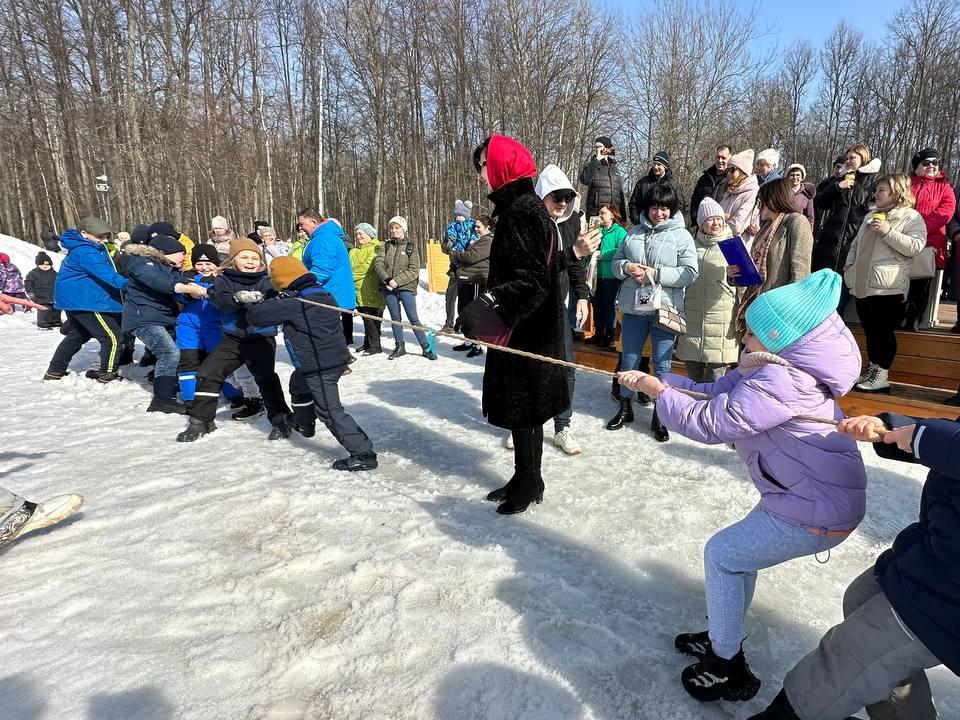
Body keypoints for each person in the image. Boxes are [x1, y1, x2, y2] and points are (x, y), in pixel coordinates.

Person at [621, 269, 867, 704]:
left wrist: (660, 396)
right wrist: (664, 384)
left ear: (778, 338)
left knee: (723, 556)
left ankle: (725, 667)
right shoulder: (768, 367)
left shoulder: (779, 381)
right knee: (736, 560)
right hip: (796, 497)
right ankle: (724, 636)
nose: (744, 337)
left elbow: (713, 421)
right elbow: (711, 393)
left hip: (814, 510)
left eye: (751, 331)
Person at [747, 410, 959, 720]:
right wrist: (894, 429)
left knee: (846, 657)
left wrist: (923, 436)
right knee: (862, 597)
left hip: (946, 595)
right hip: (937, 549)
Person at [457, 135, 569, 514]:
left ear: (503, 165)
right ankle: (526, 476)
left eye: (484, 165)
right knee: (526, 410)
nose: (481, 175)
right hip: (524, 325)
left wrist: (490, 304)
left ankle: (529, 479)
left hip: (527, 329)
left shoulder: (522, 210)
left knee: (526, 407)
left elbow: (533, 279)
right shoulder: (523, 208)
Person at [246, 256, 377, 471]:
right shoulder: (320, 293)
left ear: (282, 280)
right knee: (298, 384)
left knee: (329, 410)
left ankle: (363, 453)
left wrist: (259, 300)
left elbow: (257, 316)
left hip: (321, 366)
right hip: (327, 360)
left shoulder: (296, 302)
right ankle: (305, 424)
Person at [176, 238, 292, 442]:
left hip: (260, 338)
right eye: (244, 257)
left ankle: (281, 420)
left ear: (261, 261)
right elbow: (220, 301)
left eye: (254, 257)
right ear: (233, 260)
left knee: (266, 379)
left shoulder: (267, 280)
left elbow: (279, 303)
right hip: (233, 338)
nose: (250, 261)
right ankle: (200, 421)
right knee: (208, 373)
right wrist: (236, 298)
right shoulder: (224, 280)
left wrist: (271, 299)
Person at [608, 183, 698, 441]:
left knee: (663, 363)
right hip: (634, 307)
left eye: (665, 208)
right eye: (655, 207)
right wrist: (626, 268)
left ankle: (661, 414)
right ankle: (625, 406)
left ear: (672, 210)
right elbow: (615, 263)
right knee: (629, 359)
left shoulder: (682, 236)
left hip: (665, 307)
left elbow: (690, 272)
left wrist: (655, 274)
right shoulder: (633, 232)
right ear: (647, 208)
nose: (659, 213)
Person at [844, 173, 926, 394]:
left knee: (883, 332)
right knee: (870, 331)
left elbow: (916, 246)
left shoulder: (911, 217)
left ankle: (882, 375)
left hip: (888, 286)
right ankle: (872, 369)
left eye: (881, 190)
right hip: (863, 284)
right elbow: (856, 245)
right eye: (877, 189)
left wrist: (888, 231)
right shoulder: (871, 215)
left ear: (897, 193)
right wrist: (849, 268)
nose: (876, 194)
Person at [534, 164, 592, 456]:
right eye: (556, 196)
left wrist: (582, 296)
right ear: (542, 194)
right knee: (531, 365)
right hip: (530, 307)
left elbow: (575, 265)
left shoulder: (571, 223)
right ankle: (527, 423)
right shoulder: (529, 223)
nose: (562, 202)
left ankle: (562, 426)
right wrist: (574, 252)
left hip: (559, 305)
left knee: (566, 365)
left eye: (567, 197)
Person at [122, 235, 207, 413]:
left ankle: (167, 382)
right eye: (180, 253)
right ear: (162, 253)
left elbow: (179, 283)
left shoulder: (169, 268)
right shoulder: (143, 263)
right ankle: (163, 399)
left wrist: (192, 290)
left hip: (163, 317)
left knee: (176, 352)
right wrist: (186, 288)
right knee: (169, 352)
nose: (184, 257)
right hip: (144, 319)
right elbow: (159, 282)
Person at [44, 217, 128, 382]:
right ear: (84, 234)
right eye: (100, 237)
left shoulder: (85, 248)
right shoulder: (86, 251)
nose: (104, 240)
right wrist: (130, 285)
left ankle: (55, 370)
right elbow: (107, 274)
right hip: (87, 301)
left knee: (78, 334)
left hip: (76, 301)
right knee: (112, 337)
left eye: (107, 236)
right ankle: (107, 373)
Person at [175, 244, 257, 412]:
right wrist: (188, 292)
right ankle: (190, 398)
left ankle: (233, 393)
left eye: (208, 263)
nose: (203, 267)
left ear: (216, 264)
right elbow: (177, 295)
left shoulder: (222, 280)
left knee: (219, 363)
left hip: (215, 327)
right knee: (188, 361)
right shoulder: (186, 278)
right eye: (199, 264)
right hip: (188, 326)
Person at [732, 178, 814, 335]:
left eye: (761, 200)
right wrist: (737, 272)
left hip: (779, 309)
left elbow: (800, 272)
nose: (759, 205)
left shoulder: (796, 222)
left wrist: (788, 311)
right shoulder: (764, 230)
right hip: (757, 305)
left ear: (773, 198)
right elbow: (756, 270)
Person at [675, 197, 736, 382]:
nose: (716, 223)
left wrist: (733, 275)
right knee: (693, 376)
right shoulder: (690, 247)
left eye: (719, 218)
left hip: (721, 319)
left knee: (716, 379)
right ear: (701, 223)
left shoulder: (733, 246)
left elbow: (745, 282)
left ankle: (713, 411)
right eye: (710, 219)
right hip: (692, 318)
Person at [904, 148, 956, 330]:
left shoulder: (945, 187)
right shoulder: (905, 183)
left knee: (920, 284)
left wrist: (919, 228)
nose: (932, 166)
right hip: (901, 240)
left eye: (935, 162)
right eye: (926, 163)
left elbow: (945, 212)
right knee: (898, 282)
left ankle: (913, 321)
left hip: (928, 244)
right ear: (917, 166)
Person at [812, 143, 882, 275]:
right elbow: (821, 202)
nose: (848, 161)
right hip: (831, 240)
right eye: (847, 159)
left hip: (855, 240)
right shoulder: (840, 179)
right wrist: (837, 187)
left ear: (863, 158)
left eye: (852, 158)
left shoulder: (876, 180)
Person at [374, 216, 437, 361]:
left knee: (413, 317)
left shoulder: (411, 247)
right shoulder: (385, 245)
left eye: (397, 228)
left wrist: (397, 281)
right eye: (392, 228)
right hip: (387, 287)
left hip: (406, 287)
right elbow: (379, 264)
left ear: (403, 229)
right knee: (395, 318)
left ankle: (425, 347)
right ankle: (400, 346)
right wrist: (388, 279)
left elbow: (414, 270)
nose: (394, 230)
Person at [298, 208, 357, 346]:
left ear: (313, 222)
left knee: (326, 334)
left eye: (302, 224)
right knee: (331, 332)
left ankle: (337, 363)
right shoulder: (323, 237)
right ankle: (341, 359)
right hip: (331, 293)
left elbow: (322, 271)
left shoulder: (324, 239)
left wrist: (302, 284)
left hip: (331, 293)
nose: (300, 228)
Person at [447, 215, 494, 358]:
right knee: (463, 310)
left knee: (473, 314)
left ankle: (477, 344)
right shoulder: (479, 240)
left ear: (488, 227)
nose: (476, 229)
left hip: (476, 279)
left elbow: (471, 257)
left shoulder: (489, 241)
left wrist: (454, 253)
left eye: (479, 226)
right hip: (467, 279)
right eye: (475, 226)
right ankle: (468, 341)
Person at [588, 203, 627, 347]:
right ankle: (598, 333)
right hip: (595, 275)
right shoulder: (596, 231)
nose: (600, 216)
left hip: (610, 276)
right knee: (596, 304)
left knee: (609, 305)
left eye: (603, 213)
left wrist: (602, 255)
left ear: (612, 214)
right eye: (599, 213)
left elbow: (620, 250)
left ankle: (609, 334)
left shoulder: (620, 232)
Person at [350, 223, 385, 356]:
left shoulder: (376, 248)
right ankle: (367, 342)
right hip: (358, 289)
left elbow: (366, 268)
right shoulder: (354, 251)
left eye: (361, 234)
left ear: (369, 235)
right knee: (364, 316)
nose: (358, 237)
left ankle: (375, 345)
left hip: (370, 288)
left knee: (372, 317)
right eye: (357, 234)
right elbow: (348, 266)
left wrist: (351, 276)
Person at [441, 199, 476, 332]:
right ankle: (449, 323)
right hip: (455, 267)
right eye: (457, 215)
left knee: (467, 298)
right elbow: (444, 247)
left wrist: (472, 242)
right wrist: (448, 245)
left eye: (461, 215)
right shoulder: (451, 226)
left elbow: (479, 239)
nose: (458, 217)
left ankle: (465, 324)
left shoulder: (473, 225)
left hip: (469, 268)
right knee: (450, 296)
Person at [629, 151, 688, 225]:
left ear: (665, 167)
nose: (655, 167)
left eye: (659, 164)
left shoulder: (674, 184)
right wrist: (638, 221)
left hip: (667, 227)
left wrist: (672, 223)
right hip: (644, 226)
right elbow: (633, 204)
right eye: (654, 164)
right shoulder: (642, 183)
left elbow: (680, 206)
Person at [577, 135, 628, 222]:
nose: (597, 149)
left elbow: (619, 193)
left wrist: (623, 216)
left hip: (614, 214)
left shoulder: (614, 168)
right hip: (597, 214)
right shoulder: (591, 165)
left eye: (600, 146)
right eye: (596, 147)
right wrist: (596, 160)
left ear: (607, 149)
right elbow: (584, 180)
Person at [719, 149, 760, 244]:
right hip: (722, 243)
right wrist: (724, 217)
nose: (728, 174)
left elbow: (736, 227)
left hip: (739, 248)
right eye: (727, 170)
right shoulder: (728, 191)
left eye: (732, 170)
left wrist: (719, 220)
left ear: (743, 172)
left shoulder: (753, 193)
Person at [689, 145, 731, 229]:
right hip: (701, 228)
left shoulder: (731, 180)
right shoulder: (704, 178)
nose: (720, 160)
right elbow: (695, 201)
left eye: (723, 158)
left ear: (730, 159)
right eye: (718, 157)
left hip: (721, 228)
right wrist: (696, 219)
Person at [24, 252, 61, 329]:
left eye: (47, 265)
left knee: (56, 310)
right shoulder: (33, 273)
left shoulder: (54, 273)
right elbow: (28, 282)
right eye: (42, 265)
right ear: (38, 265)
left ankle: (56, 322)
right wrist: (30, 292)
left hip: (54, 295)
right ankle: (43, 324)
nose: (45, 266)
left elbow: (60, 282)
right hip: (41, 296)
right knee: (44, 311)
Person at [814, 155, 847, 237]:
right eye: (837, 167)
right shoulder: (824, 184)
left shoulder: (848, 186)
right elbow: (816, 203)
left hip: (835, 229)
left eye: (842, 168)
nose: (839, 171)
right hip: (818, 226)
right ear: (833, 167)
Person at [785, 163, 816, 228]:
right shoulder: (782, 192)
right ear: (788, 177)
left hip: (798, 229)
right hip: (782, 228)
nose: (795, 177)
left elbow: (810, 216)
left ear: (802, 177)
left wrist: (809, 233)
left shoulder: (807, 194)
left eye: (798, 175)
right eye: (792, 175)